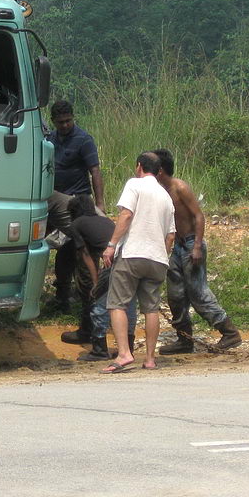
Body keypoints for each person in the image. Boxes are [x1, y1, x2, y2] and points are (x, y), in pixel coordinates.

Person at [153, 148, 241, 353]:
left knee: (198, 292)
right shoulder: (159, 192)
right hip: (177, 245)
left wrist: (198, 246)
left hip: (191, 244)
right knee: (175, 295)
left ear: (160, 170)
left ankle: (229, 332)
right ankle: (184, 340)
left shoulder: (180, 188)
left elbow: (198, 216)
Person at [101, 152, 176, 373]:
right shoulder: (165, 196)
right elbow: (171, 235)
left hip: (133, 254)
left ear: (139, 166)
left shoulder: (135, 184)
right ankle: (150, 358)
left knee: (117, 304)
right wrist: (163, 254)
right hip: (158, 259)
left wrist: (112, 245)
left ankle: (124, 353)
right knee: (151, 308)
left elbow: (126, 215)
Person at [58, 194, 137, 361]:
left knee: (98, 305)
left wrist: (96, 282)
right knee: (127, 305)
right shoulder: (105, 220)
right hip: (129, 259)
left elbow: (85, 255)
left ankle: (99, 350)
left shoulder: (77, 224)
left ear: (73, 212)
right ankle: (129, 348)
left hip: (114, 263)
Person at [46, 100, 105, 310]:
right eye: (60, 122)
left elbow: (95, 171)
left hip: (79, 203)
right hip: (52, 201)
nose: (65, 125)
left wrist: (100, 203)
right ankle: (62, 293)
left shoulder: (83, 140)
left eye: (68, 121)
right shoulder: (50, 139)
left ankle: (88, 295)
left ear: (73, 118)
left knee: (81, 249)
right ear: (53, 122)